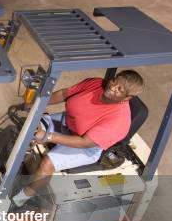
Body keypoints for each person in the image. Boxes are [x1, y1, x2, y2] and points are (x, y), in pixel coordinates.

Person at [13, 70, 144, 207]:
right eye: (114, 81)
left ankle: (21, 198)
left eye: (119, 89)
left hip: (85, 146)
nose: (112, 87)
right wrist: (38, 102)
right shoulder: (96, 84)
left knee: (47, 164)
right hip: (67, 122)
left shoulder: (118, 121)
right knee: (29, 126)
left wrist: (48, 136)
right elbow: (65, 94)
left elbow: (84, 142)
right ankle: (16, 169)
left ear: (127, 98)